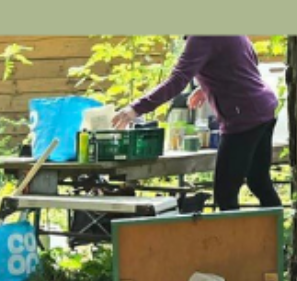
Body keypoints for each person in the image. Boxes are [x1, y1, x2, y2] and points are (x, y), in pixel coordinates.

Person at [113, 36, 281, 212]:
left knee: (225, 193)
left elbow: (177, 80)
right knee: (259, 181)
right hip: (263, 108)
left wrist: (135, 109)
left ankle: (233, 239)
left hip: (243, 117)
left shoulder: (202, 37)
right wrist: (207, 86)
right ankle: (275, 237)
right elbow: (242, 60)